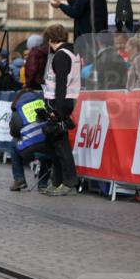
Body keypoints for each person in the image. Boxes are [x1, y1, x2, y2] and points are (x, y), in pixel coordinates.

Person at [41, 24, 81, 196]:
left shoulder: (61, 56)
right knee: (55, 145)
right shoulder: (71, 53)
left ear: (50, 39)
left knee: (61, 146)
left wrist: (57, 110)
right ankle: (57, 181)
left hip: (60, 103)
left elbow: (61, 85)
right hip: (66, 101)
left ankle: (69, 182)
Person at [8, 89, 51, 192]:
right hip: (48, 148)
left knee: (13, 144)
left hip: (29, 149)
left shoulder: (18, 108)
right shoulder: (43, 102)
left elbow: (14, 132)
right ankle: (43, 184)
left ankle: (19, 180)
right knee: (44, 148)